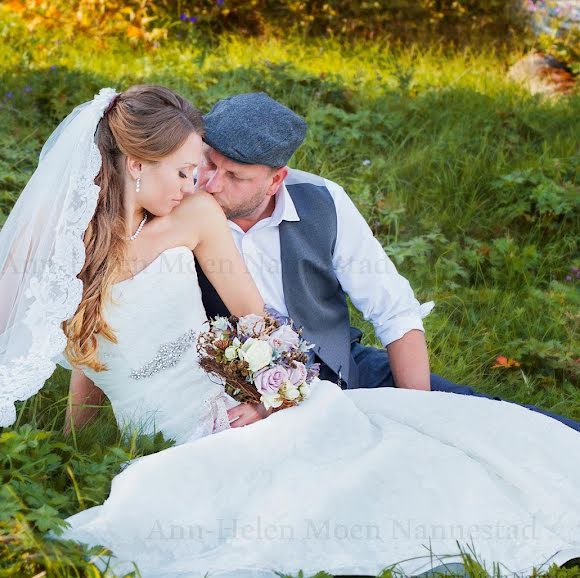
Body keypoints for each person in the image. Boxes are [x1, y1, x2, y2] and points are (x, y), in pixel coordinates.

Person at [0, 86, 578, 578]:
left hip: (253, 396)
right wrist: (27, 418)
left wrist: (263, 399)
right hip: (167, 418)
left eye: (214, 171)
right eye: (190, 168)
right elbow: (80, 350)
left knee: (385, 454)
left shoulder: (213, 223)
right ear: (138, 166)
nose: (199, 183)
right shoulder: (67, 246)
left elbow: (265, 324)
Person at [190, 92, 580, 434]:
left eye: (235, 176)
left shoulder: (322, 201)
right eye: (209, 163)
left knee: (494, 420)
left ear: (276, 181)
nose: (211, 183)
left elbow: (393, 310)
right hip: (240, 387)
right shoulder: (179, 204)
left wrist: (418, 414)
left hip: (341, 365)